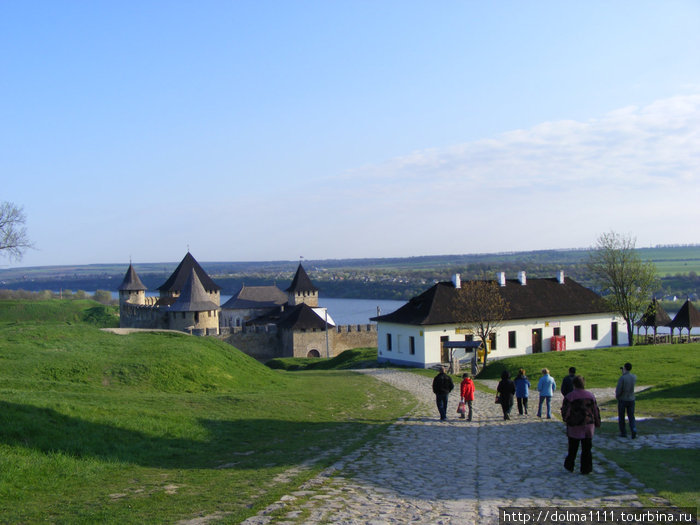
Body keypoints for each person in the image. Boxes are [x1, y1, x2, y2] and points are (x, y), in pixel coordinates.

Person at [561, 375, 601, 474]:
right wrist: (597, 422)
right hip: (588, 425)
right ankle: (586, 468)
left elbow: (566, 412)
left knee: (573, 448)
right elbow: (595, 410)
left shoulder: (570, 397)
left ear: (574, 384)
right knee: (587, 449)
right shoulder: (590, 396)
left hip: (574, 425)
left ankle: (569, 466)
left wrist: (566, 420)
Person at [616, 362, 637, 438]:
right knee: (631, 416)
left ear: (624, 368)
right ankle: (633, 429)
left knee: (621, 416)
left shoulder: (622, 378)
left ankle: (623, 432)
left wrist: (617, 396)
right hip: (631, 399)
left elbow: (619, 389)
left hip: (623, 399)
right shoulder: (634, 377)